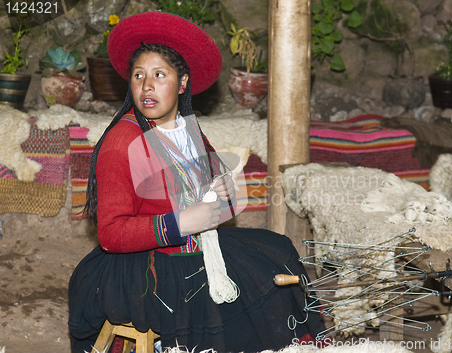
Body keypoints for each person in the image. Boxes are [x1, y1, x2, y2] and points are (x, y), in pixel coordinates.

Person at [68, 12, 324, 353]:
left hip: (196, 247)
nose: (147, 86)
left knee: (278, 251)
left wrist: (225, 196)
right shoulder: (123, 142)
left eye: (160, 75)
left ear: (182, 82)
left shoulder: (189, 130)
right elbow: (111, 234)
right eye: (139, 75)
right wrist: (182, 222)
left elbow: (219, 198)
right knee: (211, 297)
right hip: (143, 266)